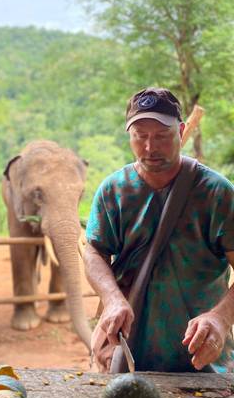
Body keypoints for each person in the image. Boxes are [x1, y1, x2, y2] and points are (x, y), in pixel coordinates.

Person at [85, 87, 234, 373]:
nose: (150, 148)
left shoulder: (217, 194)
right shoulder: (114, 191)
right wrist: (112, 298)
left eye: (162, 136)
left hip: (202, 360)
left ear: (180, 131)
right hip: (125, 357)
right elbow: (94, 250)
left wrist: (220, 319)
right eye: (140, 137)